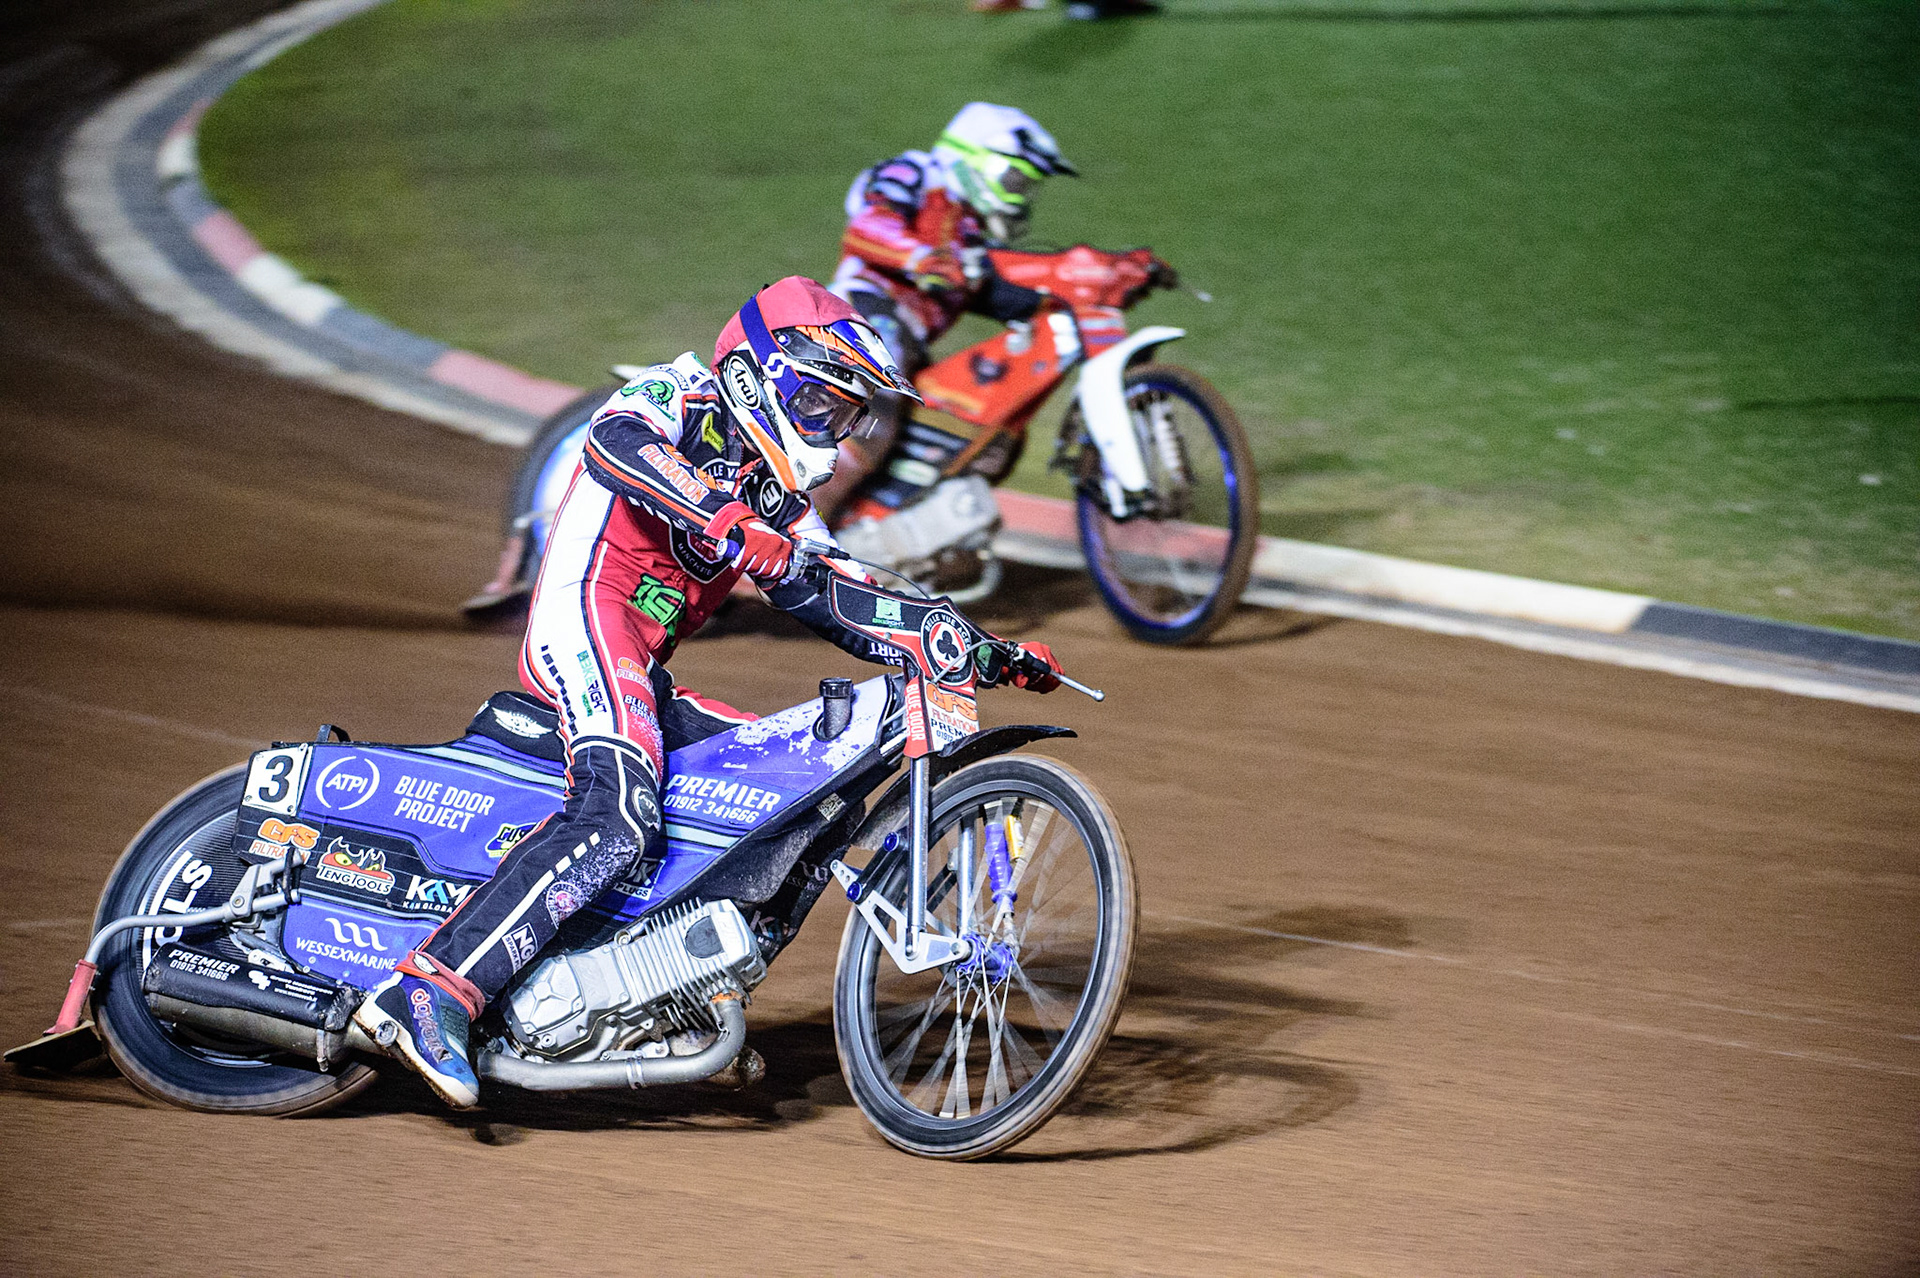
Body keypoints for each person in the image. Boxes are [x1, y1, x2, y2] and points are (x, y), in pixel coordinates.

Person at [353, 277, 1064, 1109]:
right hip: (586, 617)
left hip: (641, 663)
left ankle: (670, 999)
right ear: (762, 374)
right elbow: (614, 442)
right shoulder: (678, 396)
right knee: (619, 816)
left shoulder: (780, 500)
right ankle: (431, 991)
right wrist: (721, 518)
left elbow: (836, 589)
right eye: (823, 406)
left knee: (798, 800)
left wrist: (968, 643)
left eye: (845, 417)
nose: (832, 433)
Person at [813, 103, 1077, 520]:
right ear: (976, 159)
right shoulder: (914, 172)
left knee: (970, 433)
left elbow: (996, 294)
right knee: (871, 422)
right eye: (1015, 180)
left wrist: (1081, 292)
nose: (1020, 197)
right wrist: (922, 258)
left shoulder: (968, 237)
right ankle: (792, 535)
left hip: (909, 348)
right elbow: (866, 226)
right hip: (859, 319)